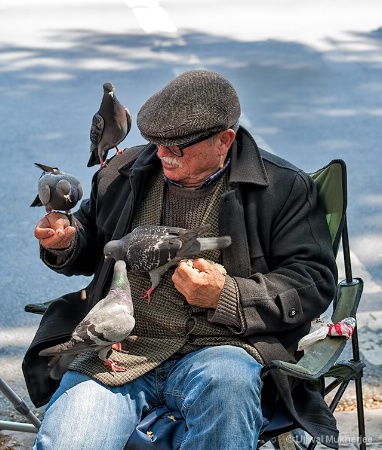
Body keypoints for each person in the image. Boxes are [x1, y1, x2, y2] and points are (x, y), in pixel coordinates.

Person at [24, 70, 339, 450]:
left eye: (177, 148)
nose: (161, 155)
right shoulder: (121, 175)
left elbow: (313, 280)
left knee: (230, 387)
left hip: (224, 352)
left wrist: (228, 294)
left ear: (225, 140)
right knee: (68, 441)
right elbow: (90, 244)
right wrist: (64, 240)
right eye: (156, 143)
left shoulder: (283, 188)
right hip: (118, 352)